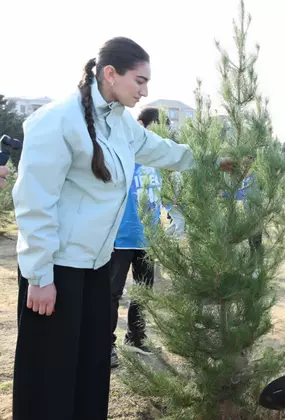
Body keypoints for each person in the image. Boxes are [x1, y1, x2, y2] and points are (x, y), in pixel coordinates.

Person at [11, 37, 195, 420]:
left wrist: (212, 158)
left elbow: (162, 150)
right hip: (57, 269)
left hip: (95, 266)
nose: (145, 91)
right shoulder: (57, 120)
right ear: (110, 74)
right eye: (139, 81)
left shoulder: (120, 123)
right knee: (50, 374)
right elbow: (34, 203)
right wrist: (40, 276)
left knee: (91, 367)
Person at [110, 107, 169, 368]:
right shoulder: (124, 153)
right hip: (121, 238)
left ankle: (135, 337)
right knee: (111, 294)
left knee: (144, 293)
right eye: (156, 127)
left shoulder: (156, 161)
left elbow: (163, 199)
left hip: (148, 239)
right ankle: (105, 344)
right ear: (141, 125)